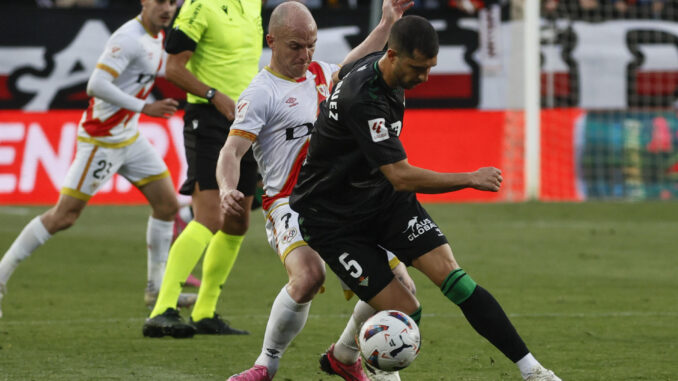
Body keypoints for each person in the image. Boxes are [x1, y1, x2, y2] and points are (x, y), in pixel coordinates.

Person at [290, 15, 562, 381]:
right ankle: (356, 361)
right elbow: (400, 176)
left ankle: (534, 372)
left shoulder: (379, 68)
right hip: (332, 219)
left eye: (430, 68)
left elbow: (341, 72)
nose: (424, 77)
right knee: (404, 313)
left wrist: (389, 18)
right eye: (417, 68)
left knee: (456, 279)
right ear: (393, 56)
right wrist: (469, 177)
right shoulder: (362, 100)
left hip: (380, 200)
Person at [217, 2, 416, 380]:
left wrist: (388, 22)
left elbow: (358, 57)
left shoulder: (323, 74)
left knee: (400, 286)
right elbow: (231, 150)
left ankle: (346, 353)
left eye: (311, 45)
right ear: (271, 41)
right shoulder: (261, 93)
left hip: (343, 201)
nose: (305, 55)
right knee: (309, 277)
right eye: (295, 47)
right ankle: (265, 365)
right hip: (289, 205)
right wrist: (228, 187)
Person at [0, 0, 191, 319]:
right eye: (161, 1)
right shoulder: (127, 38)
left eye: (173, 2)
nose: (168, 8)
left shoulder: (157, 35)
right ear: (144, 1)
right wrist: (145, 108)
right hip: (101, 139)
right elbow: (96, 85)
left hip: (129, 136)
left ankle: (156, 290)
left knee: (167, 206)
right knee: (64, 217)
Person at [142, 0, 263, 338]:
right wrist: (214, 95)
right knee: (209, 215)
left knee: (238, 219)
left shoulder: (254, 4)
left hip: (248, 120)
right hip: (208, 119)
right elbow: (173, 67)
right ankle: (162, 308)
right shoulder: (199, 6)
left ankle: (205, 311)